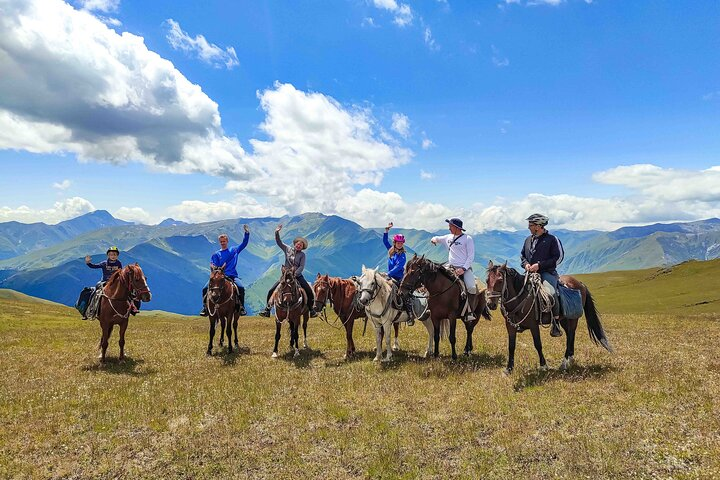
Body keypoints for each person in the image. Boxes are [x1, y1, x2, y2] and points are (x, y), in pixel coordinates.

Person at [258, 224, 318, 318]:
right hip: (285, 275)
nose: (299, 246)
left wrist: (295, 274)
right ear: (295, 244)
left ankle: (311, 309)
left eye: (301, 245)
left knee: (308, 290)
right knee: (272, 290)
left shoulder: (302, 255)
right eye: (298, 244)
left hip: (297, 276)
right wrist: (277, 232)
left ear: (302, 247)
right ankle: (267, 309)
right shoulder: (287, 249)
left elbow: (301, 266)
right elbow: (279, 242)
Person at [521, 213, 565, 337]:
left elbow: (558, 258)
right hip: (529, 272)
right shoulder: (528, 240)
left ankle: (556, 323)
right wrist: (526, 265)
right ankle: (521, 321)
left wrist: (540, 265)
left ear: (538, 226)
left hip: (547, 273)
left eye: (530, 225)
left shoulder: (552, 239)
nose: (528, 227)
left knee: (550, 293)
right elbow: (523, 256)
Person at [430, 218, 476, 322]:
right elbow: (436, 238)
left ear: (456, 227)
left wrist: (463, 268)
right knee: (434, 279)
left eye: (450, 226)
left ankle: (470, 311)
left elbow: (471, 256)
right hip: (449, 267)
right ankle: (431, 306)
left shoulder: (467, 239)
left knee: (471, 287)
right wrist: (433, 239)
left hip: (464, 268)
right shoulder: (448, 237)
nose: (449, 228)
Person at [200, 225, 250, 316]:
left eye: (224, 241)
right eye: (221, 242)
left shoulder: (234, 250)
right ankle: (205, 308)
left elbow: (244, 244)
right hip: (219, 277)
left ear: (227, 241)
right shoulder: (216, 254)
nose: (223, 243)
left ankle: (242, 307)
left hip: (232, 276)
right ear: (219, 242)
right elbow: (213, 265)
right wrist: (216, 269)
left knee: (241, 288)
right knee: (204, 288)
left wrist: (247, 233)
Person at [85, 246, 139, 317]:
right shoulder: (104, 263)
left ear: (117, 256)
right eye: (111, 254)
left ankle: (132, 307)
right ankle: (92, 308)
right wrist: (88, 263)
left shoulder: (119, 263)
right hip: (105, 282)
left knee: (128, 292)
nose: (113, 256)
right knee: (95, 291)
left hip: (116, 282)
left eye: (115, 254)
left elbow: (121, 273)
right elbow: (94, 266)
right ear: (108, 255)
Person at [383, 222, 413, 325]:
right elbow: (384, 241)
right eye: (398, 242)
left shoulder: (402, 255)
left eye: (401, 243)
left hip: (399, 278)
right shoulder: (391, 250)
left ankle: (410, 314)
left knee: (404, 294)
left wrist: (388, 273)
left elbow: (399, 267)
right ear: (395, 243)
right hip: (390, 276)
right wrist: (386, 231)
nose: (400, 244)